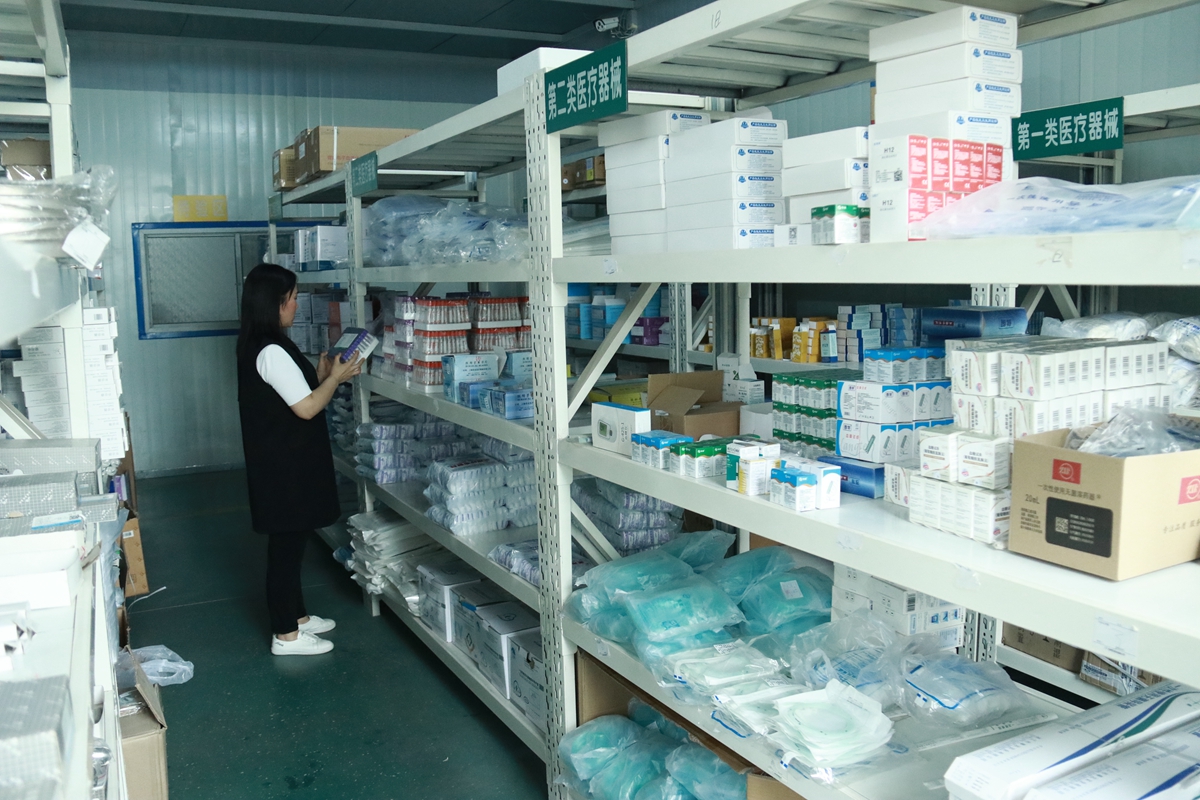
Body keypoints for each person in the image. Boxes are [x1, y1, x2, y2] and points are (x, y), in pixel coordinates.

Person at [236, 263, 362, 656]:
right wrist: (335, 379)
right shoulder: (271, 350)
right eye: (291, 298)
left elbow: (292, 396)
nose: (295, 305)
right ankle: (285, 635)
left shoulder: (268, 343)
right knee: (286, 550)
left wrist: (321, 376)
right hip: (283, 467)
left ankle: (298, 617)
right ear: (274, 303)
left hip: (284, 461)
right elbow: (306, 408)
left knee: (294, 540)